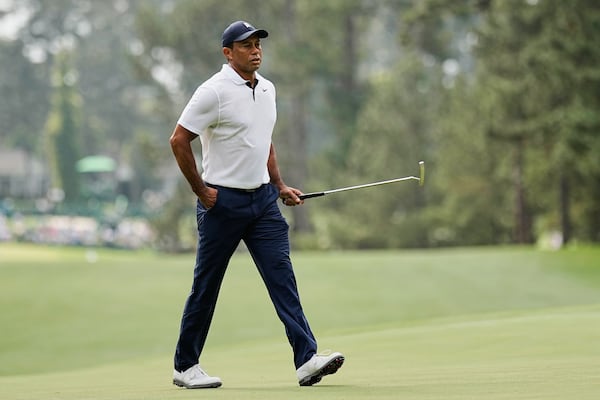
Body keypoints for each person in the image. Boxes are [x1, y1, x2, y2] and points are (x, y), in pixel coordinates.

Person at [169, 20, 344, 389]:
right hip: (222, 202)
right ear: (228, 53)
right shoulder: (212, 92)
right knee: (207, 285)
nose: (255, 50)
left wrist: (279, 185)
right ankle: (185, 367)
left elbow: (264, 140)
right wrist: (201, 191)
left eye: (257, 44)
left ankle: (307, 359)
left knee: (282, 277)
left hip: (263, 202)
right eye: (246, 45)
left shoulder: (267, 89)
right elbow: (179, 140)